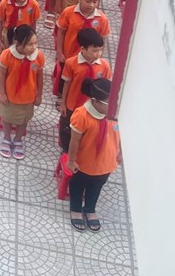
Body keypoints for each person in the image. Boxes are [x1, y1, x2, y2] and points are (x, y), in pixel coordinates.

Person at [67, 77, 121, 232]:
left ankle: (90, 209)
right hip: (85, 162)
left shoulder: (116, 113)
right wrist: (71, 161)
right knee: (78, 186)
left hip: (106, 163)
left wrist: (121, 153)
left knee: (96, 187)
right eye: (109, 103)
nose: (113, 106)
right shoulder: (82, 115)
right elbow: (74, 140)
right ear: (96, 101)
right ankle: (76, 208)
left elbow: (122, 134)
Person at [0, 24, 45, 160]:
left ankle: (18, 139)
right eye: (29, 44)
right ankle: (6, 137)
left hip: (28, 97)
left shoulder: (38, 56)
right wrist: (3, 93)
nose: (33, 47)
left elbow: (39, 76)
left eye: (35, 43)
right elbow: (2, 74)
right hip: (10, 95)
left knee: (24, 119)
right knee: (7, 117)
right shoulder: (7, 55)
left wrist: (39, 95)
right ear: (18, 43)